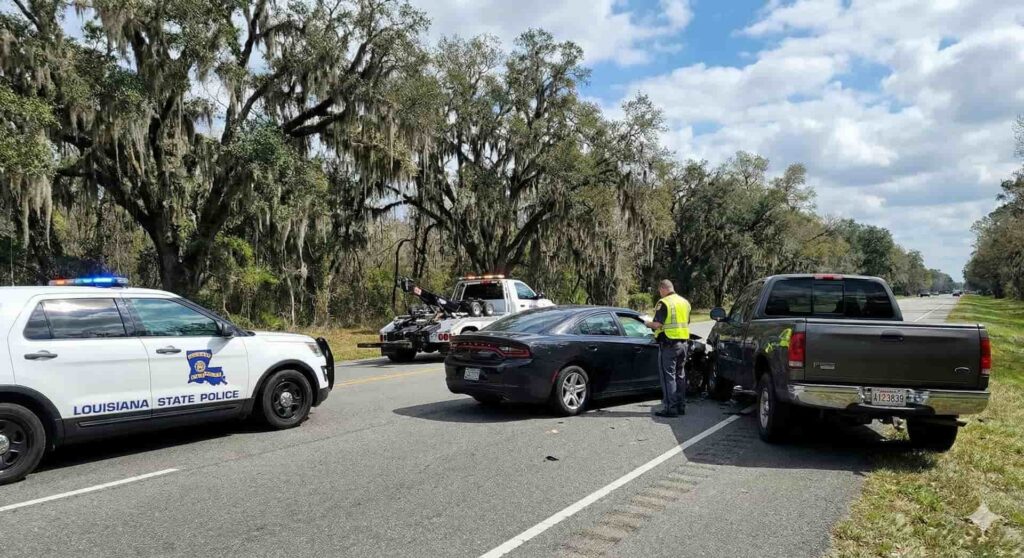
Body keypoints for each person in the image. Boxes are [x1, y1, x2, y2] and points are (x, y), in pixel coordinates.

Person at [644, 279, 692, 418]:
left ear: (663, 289)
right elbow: (686, 322)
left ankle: (671, 408)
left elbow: (658, 325)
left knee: (668, 377)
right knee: (680, 376)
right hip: (683, 344)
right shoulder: (685, 302)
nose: (660, 294)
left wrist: (647, 323)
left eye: (660, 291)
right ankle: (681, 406)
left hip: (669, 345)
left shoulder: (664, 302)